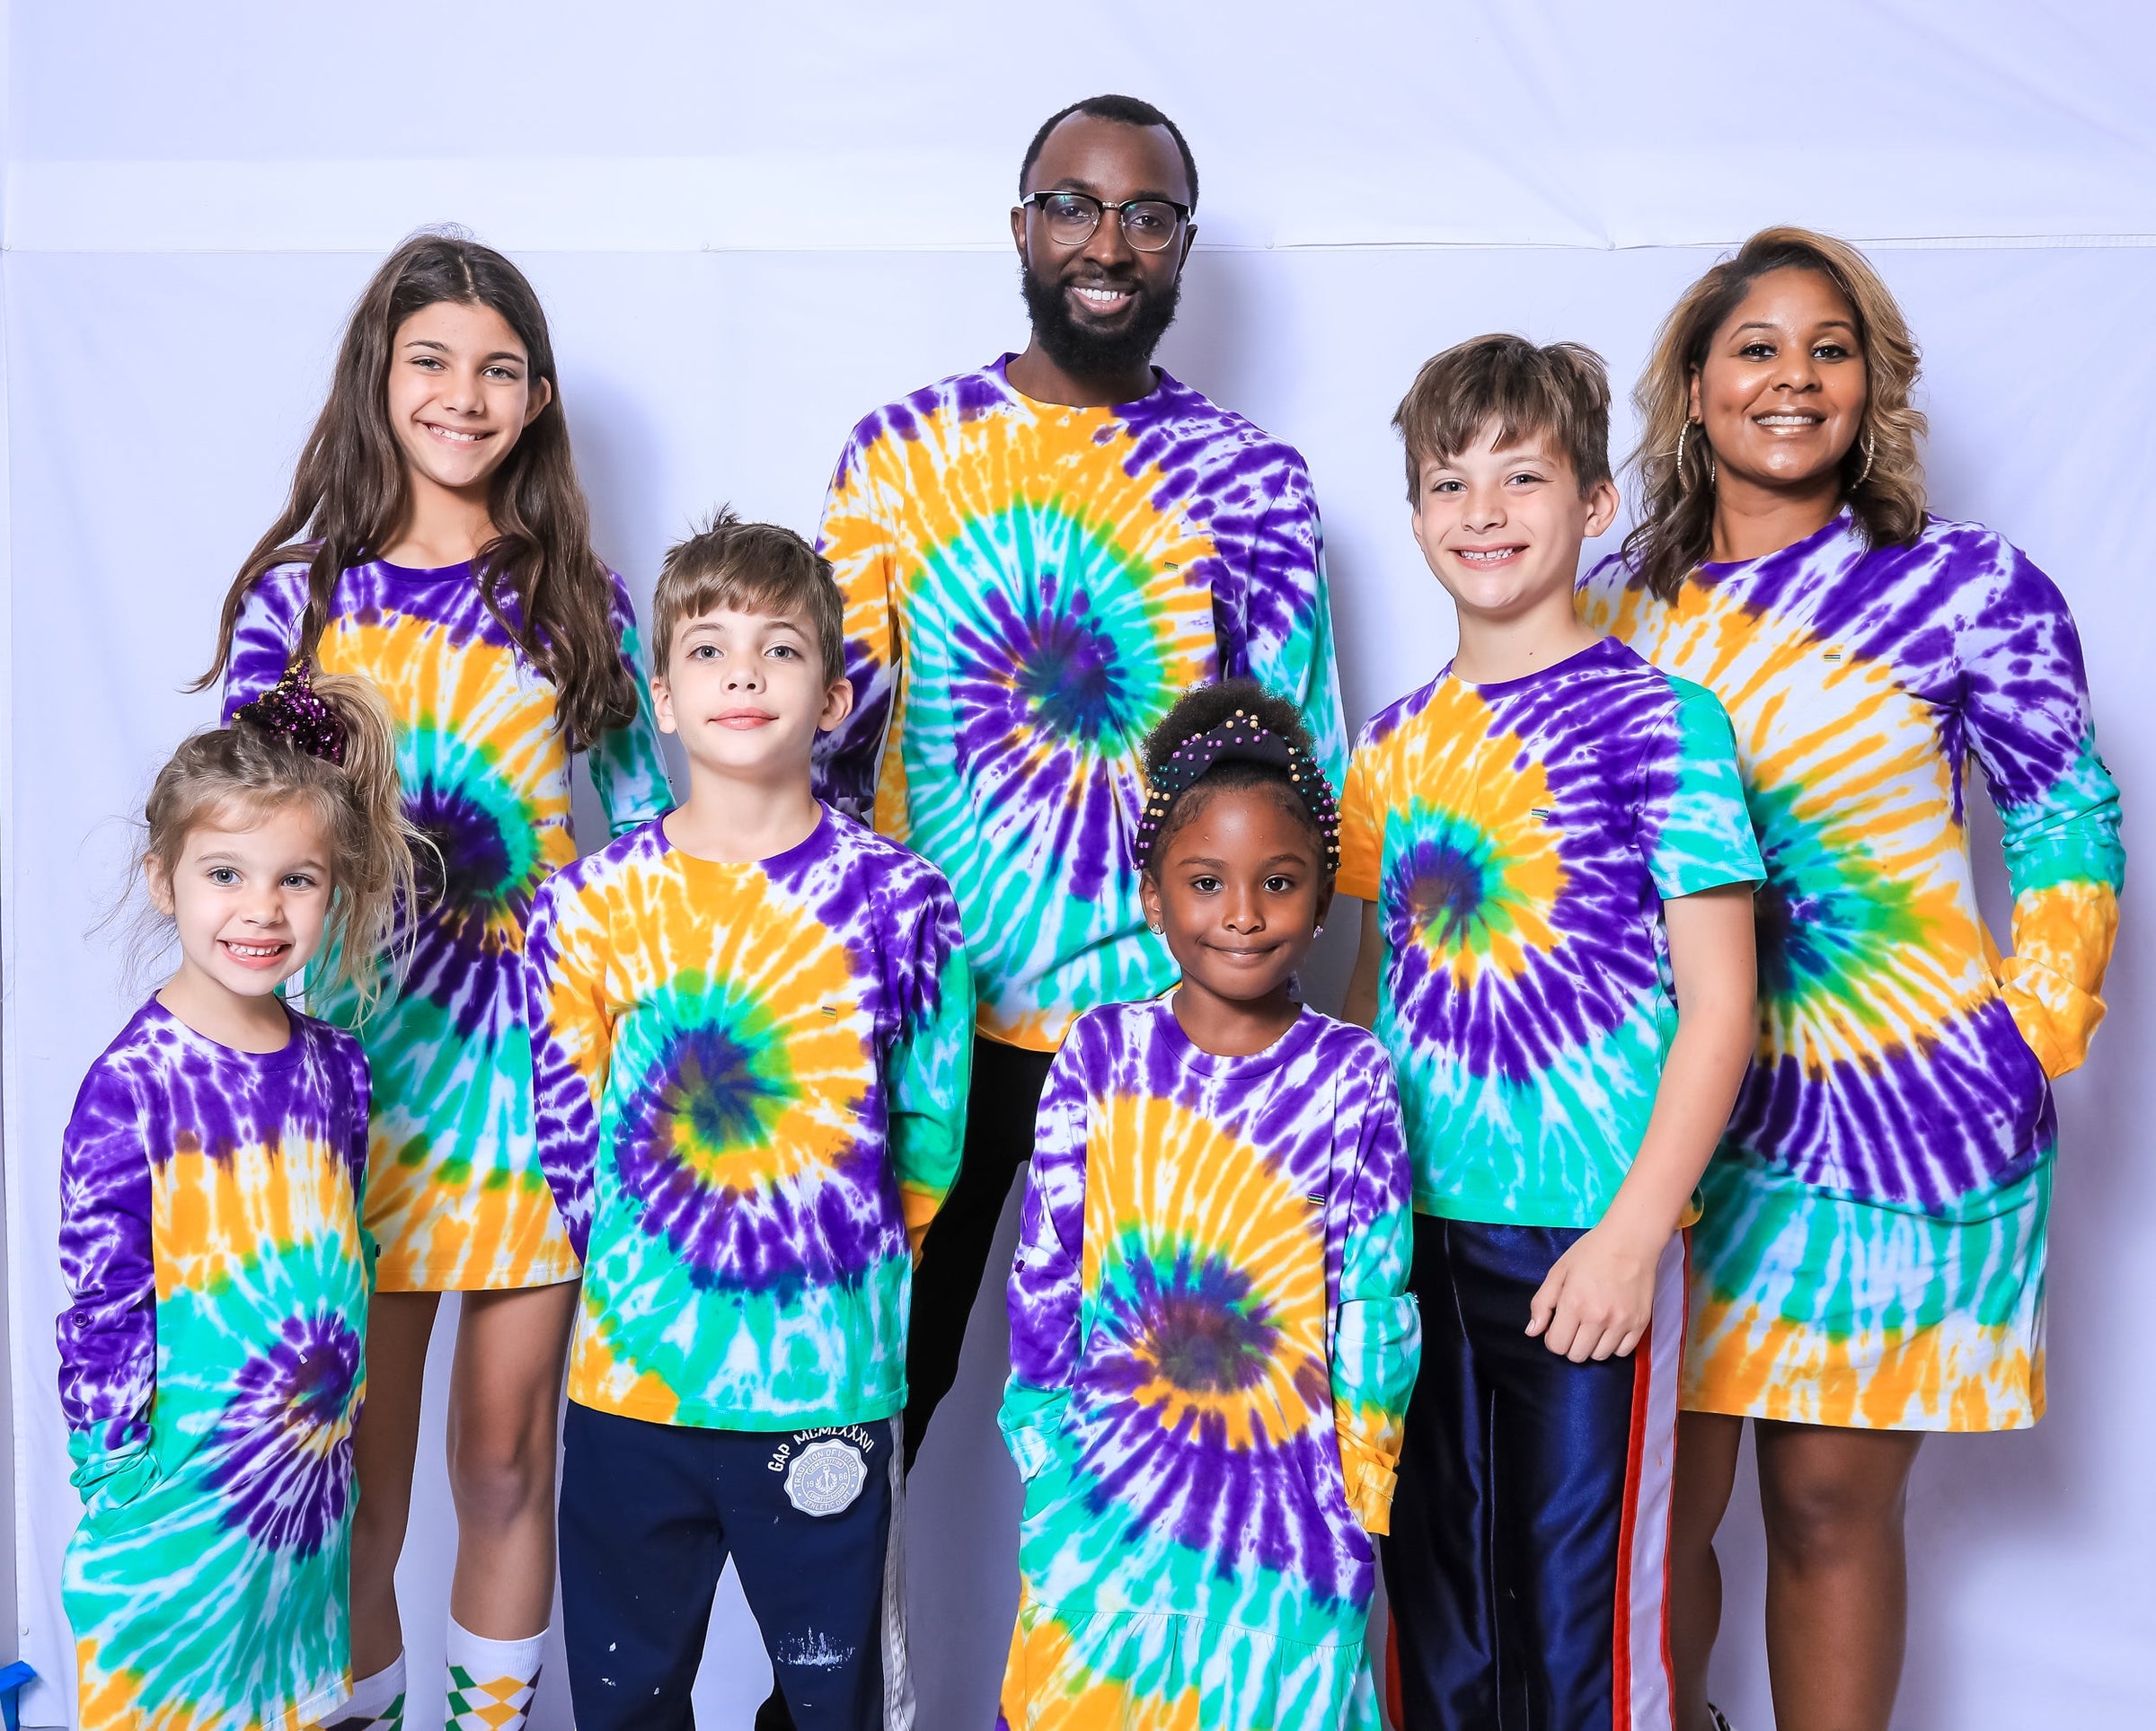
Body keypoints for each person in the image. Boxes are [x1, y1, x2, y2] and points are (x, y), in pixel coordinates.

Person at [1579, 227, 2126, 1731]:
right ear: (1695, 384)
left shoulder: (1967, 586)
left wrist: (2030, 1027)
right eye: (1757, 347)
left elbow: (2066, 810)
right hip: (1670, 1124)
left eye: (1831, 350)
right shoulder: (1619, 608)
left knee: (1828, 1503)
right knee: (1652, 1513)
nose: (1794, 378)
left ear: (1872, 385)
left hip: (1901, 1119)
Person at [815, 93, 1348, 1482]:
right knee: (870, 1392)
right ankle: (835, 1644)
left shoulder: (1251, 481)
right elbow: (819, 745)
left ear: (1182, 247)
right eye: (1074, 206)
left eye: (1146, 215)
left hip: (1163, 1023)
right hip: (928, 1013)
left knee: (1154, 1411)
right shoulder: (900, 452)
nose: (1108, 242)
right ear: (1021, 226)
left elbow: (1302, 775)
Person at [199, 231, 674, 1731]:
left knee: (506, 1459)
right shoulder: (302, 603)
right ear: (378, 373)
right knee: (353, 1472)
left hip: (538, 1088)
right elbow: (243, 844)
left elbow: (653, 846)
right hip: (353, 1087)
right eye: (431, 361)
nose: (462, 395)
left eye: (497, 368)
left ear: (537, 397)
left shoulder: (576, 597)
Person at [1340, 335, 1763, 1729]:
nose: (1483, 511)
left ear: (1594, 501)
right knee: (1438, 1619)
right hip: (1410, 1240)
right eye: (1448, 481)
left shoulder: (1664, 723)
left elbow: (1722, 1002)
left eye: (1521, 476)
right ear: (1414, 513)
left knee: (1583, 1627)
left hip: (1586, 1235)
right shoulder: (1391, 746)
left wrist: (1637, 1233)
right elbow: (1371, 991)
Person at [527, 513, 972, 1731]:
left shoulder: (902, 899)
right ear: (663, 700)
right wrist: (650, 1272)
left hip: (827, 1380)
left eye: (779, 649)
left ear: (833, 699)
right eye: (709, 649)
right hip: (636, 1383)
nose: (742, 674)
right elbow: (568, 1131)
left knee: (837, 1700)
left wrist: (851, 1268)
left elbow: (931, 1123)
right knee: (627, 1696)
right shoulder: (591, 904)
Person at [995, 679, 1418, 1731]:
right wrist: (1044, 1454)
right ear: (1152, 897)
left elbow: (1374, 1301)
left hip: (1291, 1513)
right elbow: (1046, 1271)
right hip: (1104, 1497)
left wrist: (1360, 1494)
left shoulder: (1352, 1074)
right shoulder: (1100, 1053)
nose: (1242, 913)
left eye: (1279, 882)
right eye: (1205, 882)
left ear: (1323, 898)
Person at [58, 666, 418, 1730]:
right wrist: (114, 1474)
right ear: (164, 880)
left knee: (296, 1706)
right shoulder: (134, 1085)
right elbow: (104, 1298)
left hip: (305, 1489)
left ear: (336, 888)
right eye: (225, 873)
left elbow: (340, 1247)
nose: (261, 909)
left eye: (297, 879)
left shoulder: (339, 1066)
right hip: (180, 1495)